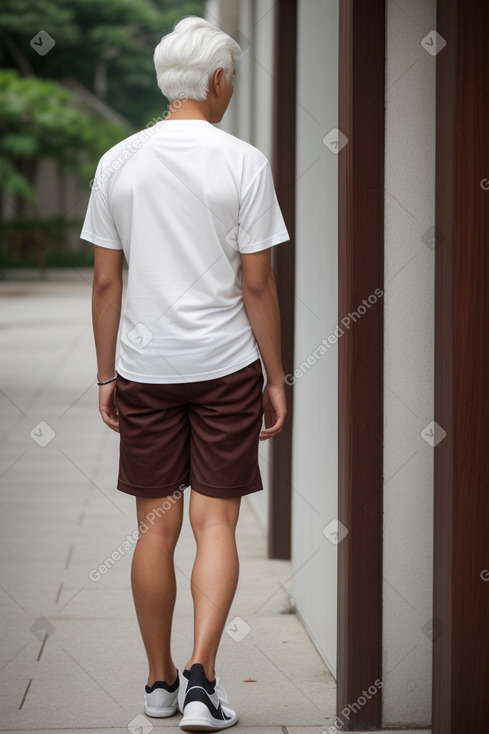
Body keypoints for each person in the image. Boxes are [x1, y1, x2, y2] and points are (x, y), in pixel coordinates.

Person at [81, 15, 290, 733]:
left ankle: (158, 684)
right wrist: (276, 376)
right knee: (216, 521)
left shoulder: (118, 162)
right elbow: (257, 285)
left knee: (154, 527)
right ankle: (204, 681)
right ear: (219, 80)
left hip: (145, 367)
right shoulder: (243, 162)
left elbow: (106, 283)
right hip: (226, 367)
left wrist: (107, 376)